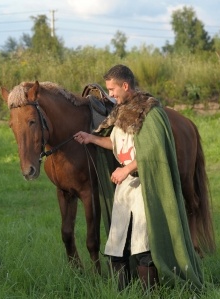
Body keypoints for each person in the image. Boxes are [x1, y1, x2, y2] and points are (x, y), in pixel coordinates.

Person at [74, 65, 204, 291]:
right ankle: (122, 293)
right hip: (125, 187)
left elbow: (154, 151)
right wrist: (91, 139)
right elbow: (115, 143)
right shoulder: (121, 111)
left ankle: (149, 293)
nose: (110, 94)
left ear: (125, 86)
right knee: (117, 245)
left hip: (147, 185)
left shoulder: (150, 112)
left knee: (143, 246)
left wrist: (126, 169)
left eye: (113, 89)